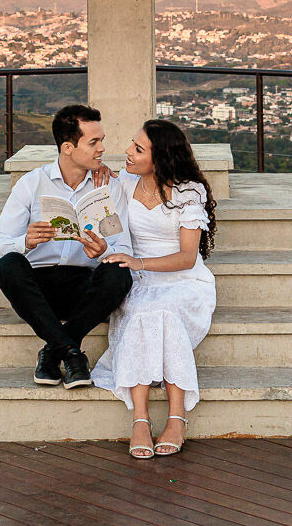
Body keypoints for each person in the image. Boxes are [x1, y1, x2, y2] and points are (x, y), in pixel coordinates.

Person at [91, 118, 217, 459]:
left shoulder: (189, 192)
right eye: (132, 144)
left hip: (182, 278)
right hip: (139, 277)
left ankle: (177, 416)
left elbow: (188, 257)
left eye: (138, 149)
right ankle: (140, 419)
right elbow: (110, 227)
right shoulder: (125, 182)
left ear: (159, 157)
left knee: (163, 311)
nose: (127, 153)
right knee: (145, 309)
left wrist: (139, 263)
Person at [0, 104, 134, 389]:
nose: (102, 149)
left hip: (86, 289)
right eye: (94, 142)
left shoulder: (109, 186)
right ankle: (72, 353)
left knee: (120, 272)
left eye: (101, 140)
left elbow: (125, 246)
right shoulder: (31, 184)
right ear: (68, 147)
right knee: (8, 264)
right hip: (40, 290)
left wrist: (103, 250)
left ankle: (55, 349)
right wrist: (26, 242)